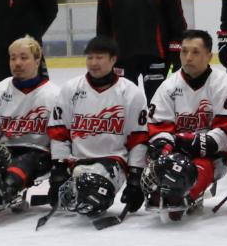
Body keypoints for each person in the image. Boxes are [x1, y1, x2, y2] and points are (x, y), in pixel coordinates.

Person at [42, 37, 150, 227]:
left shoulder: (130, 92)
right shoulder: (71, 89)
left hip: (113, 161)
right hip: (76, 161)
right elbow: (59, 131)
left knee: (92, 194)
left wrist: (135, 178)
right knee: (81, 194)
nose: (93, 63)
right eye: (90, 58)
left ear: (113, 60)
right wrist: (58, 169)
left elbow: (138, 138)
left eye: (99, 58)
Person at [143, 29, 227, 221]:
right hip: (177, 150)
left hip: (214, 156)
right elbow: (158, 127)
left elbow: (224, 133)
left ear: (209, 56)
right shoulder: (169, 86)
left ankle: (183, 195)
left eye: (195, 52)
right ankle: (169, 190)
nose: (188, 57)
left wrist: (179, 141)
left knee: (198, 167)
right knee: (157, 161)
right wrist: (164, 150)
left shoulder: (225, 85)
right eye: (184, 51)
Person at [0, 37, 67, 218]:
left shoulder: (54, 96)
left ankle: (4, 191)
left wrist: (60, 172)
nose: (17, 63)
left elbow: (61, 138)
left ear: (38, 60)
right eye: (13, 58)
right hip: (5, 151)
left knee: (26, 161)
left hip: (40, 153)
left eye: (24, 58)